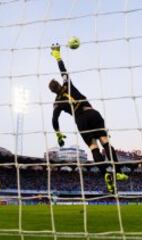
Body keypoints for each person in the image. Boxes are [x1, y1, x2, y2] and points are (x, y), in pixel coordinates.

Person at [49, 43, 128, 193]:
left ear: (53, 92)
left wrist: (59, 135)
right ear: (59, 84)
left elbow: (54, 120)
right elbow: (63, 71)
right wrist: (57, 56)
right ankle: (118, 171)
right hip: (91, 113)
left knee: (93, 148)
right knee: (105, 142)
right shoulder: (67, 84)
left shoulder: (56, 103)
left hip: (81, 122)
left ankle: (106, 174)